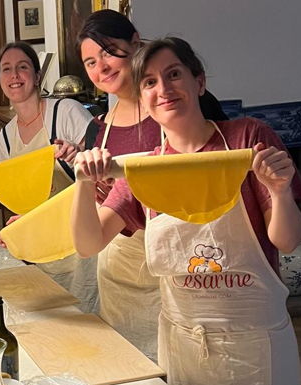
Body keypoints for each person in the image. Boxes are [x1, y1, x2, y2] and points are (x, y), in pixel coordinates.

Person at [71, 37, 301, 385]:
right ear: (142, 98)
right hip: (182, 348)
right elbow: (89, 244)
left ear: (199, 81)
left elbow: (286, 241)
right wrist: (82, 183)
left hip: (253, 348)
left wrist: (282, 192)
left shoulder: (246, 140)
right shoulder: (145, 170)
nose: (163, 89)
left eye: (173, 74)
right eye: (149, 82)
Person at [75, 10, 228, 358]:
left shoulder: (179, 103)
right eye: (90, 62)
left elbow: (220, 172)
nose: (101, 67)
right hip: (120, 267)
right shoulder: (97, 128)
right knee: (130, 365)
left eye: (109, 50)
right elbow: (96, 202)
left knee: (187, 362)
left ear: (135, 42)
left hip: (183, 263)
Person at [0, 42, 96, 310]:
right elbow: (21, 193)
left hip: (79, 242)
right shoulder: (6, 134)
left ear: (37, 76)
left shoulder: (66, 111)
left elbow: (102, 173)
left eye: (22, 67)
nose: (14, 76)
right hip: (40, 242)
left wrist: (77, 156)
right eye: (6, 69)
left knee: (87, 315)